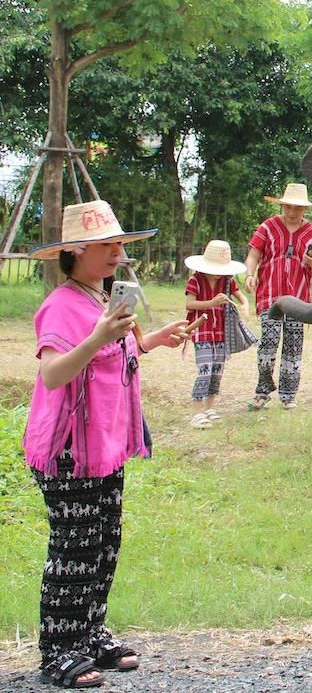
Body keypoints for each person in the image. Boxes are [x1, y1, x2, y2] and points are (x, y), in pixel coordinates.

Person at [23, 200, 188, 688]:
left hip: (105, 445)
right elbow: (54, 373)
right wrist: (96, 338)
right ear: (75, 251)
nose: (118, 252)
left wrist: (155, 338)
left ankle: (89, 636)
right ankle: (59, 651)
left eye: (120, 244)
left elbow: (118, 350)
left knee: (102, 545)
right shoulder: (60, 305)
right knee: (73, 547)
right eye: (107, 245)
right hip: (69, 449)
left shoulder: (101, 299)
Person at [243, 183, 312, 410]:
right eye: (288, 207)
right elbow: (253, 255)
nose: (292, 212)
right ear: (283, 206)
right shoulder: (268, 227)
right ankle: (263, 389)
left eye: (297, 208)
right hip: (270, 294)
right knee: (267, 344)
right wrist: (249, 274)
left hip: (298, 298)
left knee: (293, 347)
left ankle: (289, 395)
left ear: (305, 210)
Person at [184, 240, 250, 429]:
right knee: (205, 369)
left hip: (222, 333)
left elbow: (241, 296)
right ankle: (196, 412)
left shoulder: (227, 281)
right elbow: (190, 304)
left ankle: (209, 408)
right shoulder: (195, 280)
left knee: (217, 371)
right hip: (201, 330)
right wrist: (212, 302)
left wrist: (245, 305)